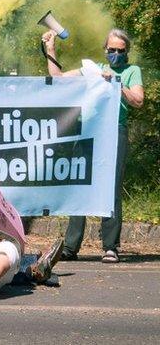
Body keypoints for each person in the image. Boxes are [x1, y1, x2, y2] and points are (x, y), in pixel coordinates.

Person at [42, 28, 145, 263]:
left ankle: (110, 246)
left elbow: (138, 100)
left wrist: (116, 82)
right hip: (88, 131)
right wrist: (51, 49)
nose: (116, 54)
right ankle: (70, 246)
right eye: (112, 50)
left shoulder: (132, 71)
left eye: (120, 50)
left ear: (127, 51)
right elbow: (58, 80)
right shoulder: (92, 69)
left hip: (113, 131)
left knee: (111, 187)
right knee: (80, 184)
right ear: (104, 50)